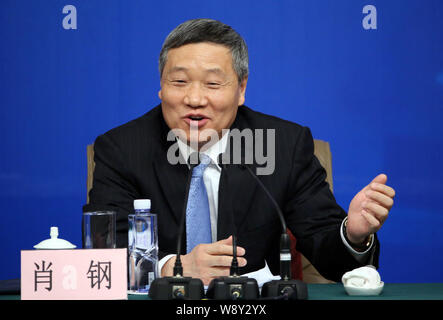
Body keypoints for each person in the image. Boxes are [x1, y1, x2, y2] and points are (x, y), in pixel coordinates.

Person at [84, 19, 395, 286]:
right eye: (179, 81)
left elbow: (331, 254)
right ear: (161, 87)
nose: (194, 98)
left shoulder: (283, 145)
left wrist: (353, 234)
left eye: (213, 83)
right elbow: (104, 258)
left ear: (241, 89)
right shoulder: (121, 149)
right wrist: (172, 268)